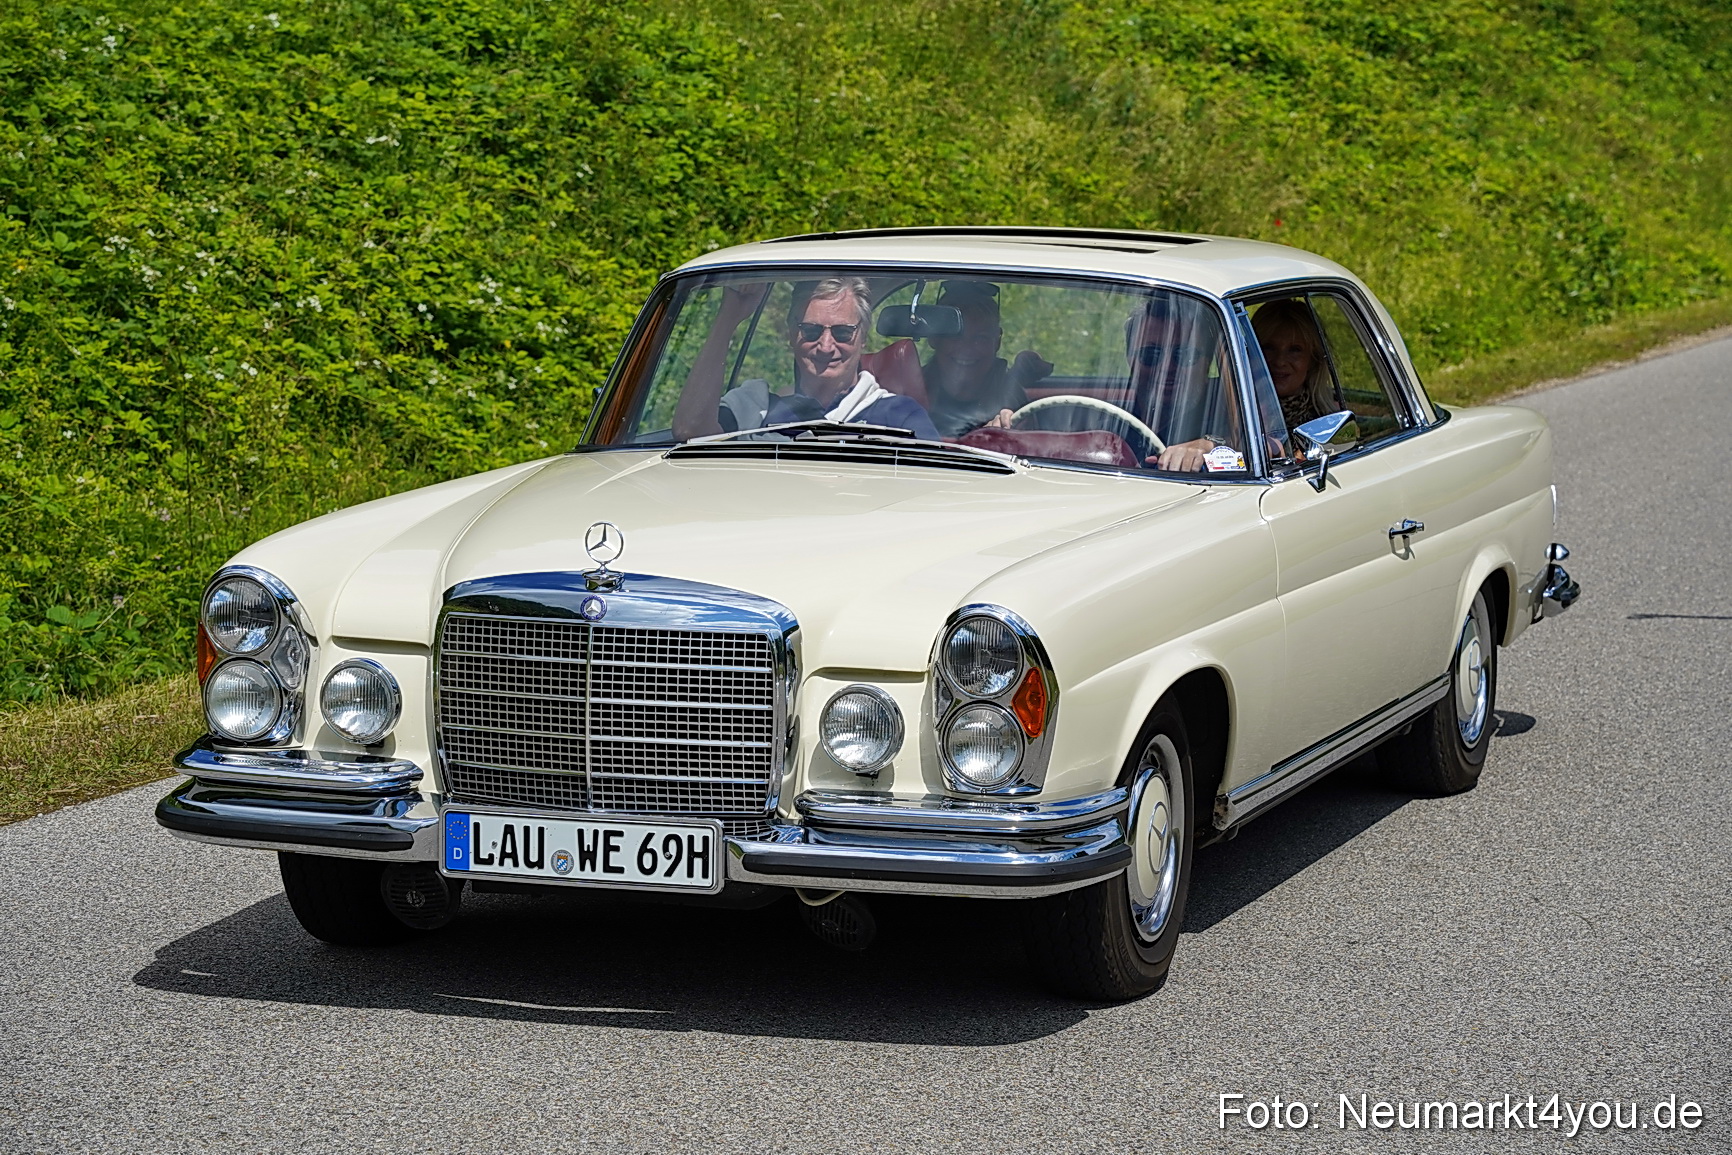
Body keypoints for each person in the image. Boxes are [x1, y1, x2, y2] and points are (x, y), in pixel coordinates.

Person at [671, 277, 940, 442]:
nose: (825, 346)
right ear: (791, 334)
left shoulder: (899, 417)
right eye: (810, 330)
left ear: (863, 337)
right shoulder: (755, 406)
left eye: (843, 332)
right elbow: (689, 430)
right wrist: (728, 316)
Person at [921, 280, 1053, 438]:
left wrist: (1005, 432)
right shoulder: (913, 389)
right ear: (934, 338)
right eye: (955, 336)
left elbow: (1029, 452)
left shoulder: (1011, 397)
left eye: (980, 338)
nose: (967, 347)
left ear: (996, 342)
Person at [1251, 298, 1340, 433]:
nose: (1280, 361)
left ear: (1313, 359)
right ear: (1251, 352)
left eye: (1294, 350)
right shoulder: (1226, 410)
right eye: (1268, 347)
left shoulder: (1329, 422)